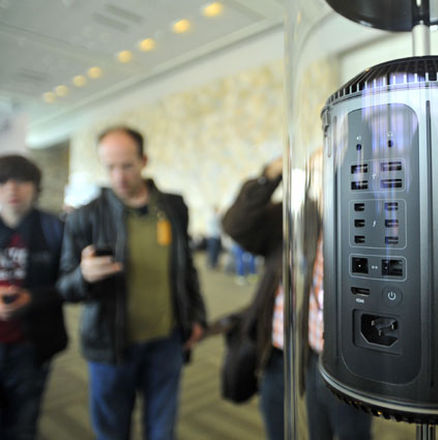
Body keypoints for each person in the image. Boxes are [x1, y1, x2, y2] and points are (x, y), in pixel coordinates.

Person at [57, 126, 207, 440]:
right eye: (110, 167)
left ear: (144, 161)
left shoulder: (173, 207)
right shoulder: (85, 217)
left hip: (167, 341)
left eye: (126, 166)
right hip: (111, 344)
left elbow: (186, 269)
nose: (119, 176)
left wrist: (196, 316)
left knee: (162, 431)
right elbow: (64, 287)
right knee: (112, 431)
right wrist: (84, 275)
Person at [222, 156, 372, 440]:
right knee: (281, 428)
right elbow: (236, 225)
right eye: (318, 175)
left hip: (335, 361)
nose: (325, 184)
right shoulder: (293, 217)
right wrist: (270, 173)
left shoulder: (364, 223)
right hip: (280, 355)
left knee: (345, 432)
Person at [0, 154, 68, 440]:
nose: (12, 188)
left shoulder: (55, 229)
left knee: (24, 424)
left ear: (36, 188)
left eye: (21, 180)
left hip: (32, 345)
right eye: (3, 181)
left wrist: (32, 298)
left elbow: (70, 285)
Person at [205, 205, 222, 269]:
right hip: (214, 236)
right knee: (213, 251)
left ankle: (213, 264)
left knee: (213, 251)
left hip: (213, 236)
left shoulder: (210, 217)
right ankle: (212, 264)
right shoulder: (214, 217)